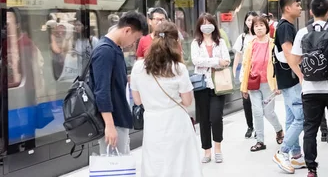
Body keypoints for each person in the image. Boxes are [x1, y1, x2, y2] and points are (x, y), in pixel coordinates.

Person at [131, 21, 202, 177]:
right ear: (176, 41)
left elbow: (137, 101)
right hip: (176, 121)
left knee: (156, 164)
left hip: (153, 123)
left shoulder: (138, 67)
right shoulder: (178, 68)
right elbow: (188, 101)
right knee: (180, 164)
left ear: (153, 38)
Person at [291, 0, 328, 177]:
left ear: (311, 12)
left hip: (310, 89)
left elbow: (295, 59)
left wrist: (302, 77)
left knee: (310, 129)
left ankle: (312, 168)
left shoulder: (301, 32)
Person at [91, 11, 147, 154]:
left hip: (118, 119)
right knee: (115, 167)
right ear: (127, 30)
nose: (133, 44)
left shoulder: (113, 48)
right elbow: (101, 91)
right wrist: (109, 125)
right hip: (113, 121)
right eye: (135, 39)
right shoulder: (105, 51)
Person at [190, 13, 231, 164]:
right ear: (199, 26)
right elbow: (195, 60)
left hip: (219, 84)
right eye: (203, 22)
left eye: (209, 22)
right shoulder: (196, 43)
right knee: (204, 119)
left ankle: (218, 148)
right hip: (201, 85)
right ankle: (206, 150)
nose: (206, 25)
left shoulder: (220, 42)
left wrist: (208, 62)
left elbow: (226, 61)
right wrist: (216, 61)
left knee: (216, 117)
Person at [272, 0, 305, 174]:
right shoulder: (286, 27)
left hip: (285, 79)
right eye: (298, 5)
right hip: (291, 79)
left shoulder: (285, 26)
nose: (301, 8)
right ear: (287, 8)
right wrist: (300, 75)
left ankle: (297, 156)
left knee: (292, 118)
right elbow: (289, 53)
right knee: (301, 118)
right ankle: (283, 151)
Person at [240, 16, 283, 152]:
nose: (258, 28)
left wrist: (279, 85)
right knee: (257, 112)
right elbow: (246, 65)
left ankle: (279, 130)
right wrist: (244, 87)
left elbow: (279, 65)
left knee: (268, 112)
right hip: (254, 84)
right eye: (256, 25)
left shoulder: (273, 44)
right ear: (252, 28)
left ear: (266, 27)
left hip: (269, 84)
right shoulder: (250, 44)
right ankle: (260, 141)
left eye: (261, 25)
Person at [233, 11, 258, 139]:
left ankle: (258, 128)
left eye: (253, 20)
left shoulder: (261, 36)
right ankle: (250, 126)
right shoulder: (242, 37)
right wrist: (233, 72)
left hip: (258, 73)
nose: (251, 22)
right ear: (245, 22)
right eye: (248, 20)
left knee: (258, 102)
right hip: (245, 74)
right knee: (246, 102)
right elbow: (238, 55)